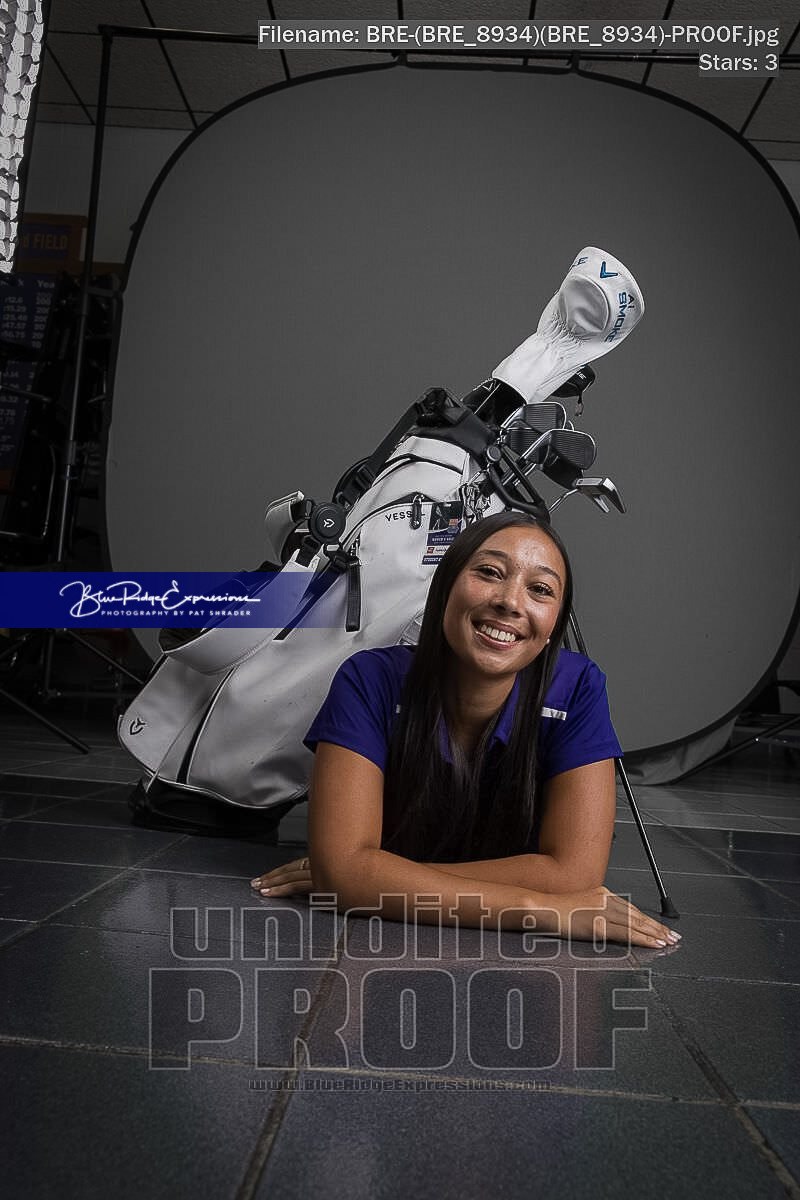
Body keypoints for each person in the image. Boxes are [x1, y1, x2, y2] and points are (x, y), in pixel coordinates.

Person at [250, 511, 681, 949]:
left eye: (540, 589)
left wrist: (369, 877)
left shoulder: (577, 687)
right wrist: (536, 908)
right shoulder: (368, 679)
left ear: (553, 627)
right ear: (444, 591)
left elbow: (575, 875)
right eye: (489, 572)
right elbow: (345, 875)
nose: (510, 602)